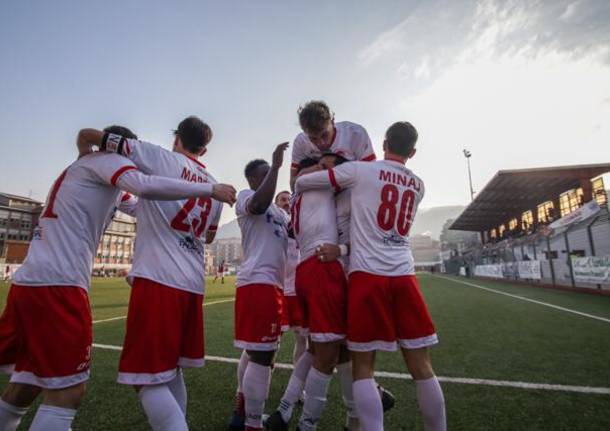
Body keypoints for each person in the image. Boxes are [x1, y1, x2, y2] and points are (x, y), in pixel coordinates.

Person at [0, 125, 235, 431]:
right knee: (68, 391)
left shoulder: (86, 167)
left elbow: (138, 203)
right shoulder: (110, 162)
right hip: (60, 285)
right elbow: (144, 186)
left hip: (30, 282)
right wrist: (209, 189)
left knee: (26, 384)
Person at [85, 116, 237, 430]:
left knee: (146, 378)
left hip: (159, 279)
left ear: (176, 137)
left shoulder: (160, 158)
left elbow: (104, 139)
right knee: (170, 372)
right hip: (192, 284)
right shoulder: (213, 183)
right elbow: (206, 236)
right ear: (204, 150)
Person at [295, 122, 446, 431]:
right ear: (413, 152)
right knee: (422, 366)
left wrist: (320, 168)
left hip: (367, 276)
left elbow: (306, 184)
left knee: (363, 368)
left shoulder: (362, 172)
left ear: (384, 142)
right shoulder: (418, 185)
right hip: (404, 274)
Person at [232, 143, 290, 431]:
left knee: (259, 350)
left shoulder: (281, 214)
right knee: (262, 355)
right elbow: (259, 205)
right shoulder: (247, 197)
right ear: (254, 179)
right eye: (265, 174)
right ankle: (253, 425)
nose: (271, 178)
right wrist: (277, 167)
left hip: (274, 286)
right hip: (258, 282)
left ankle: (241, 408)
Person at [289, 100, 376, 190]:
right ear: (304, 132)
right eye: (313, 138)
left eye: (324, 135)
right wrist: (307, 172)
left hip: (350, 190)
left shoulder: (355, 134)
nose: (321, 143)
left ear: (333, 122)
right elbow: (293, 187)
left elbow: (371, 177)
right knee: (306, 164)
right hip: (318, 193)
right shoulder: (301, 142)